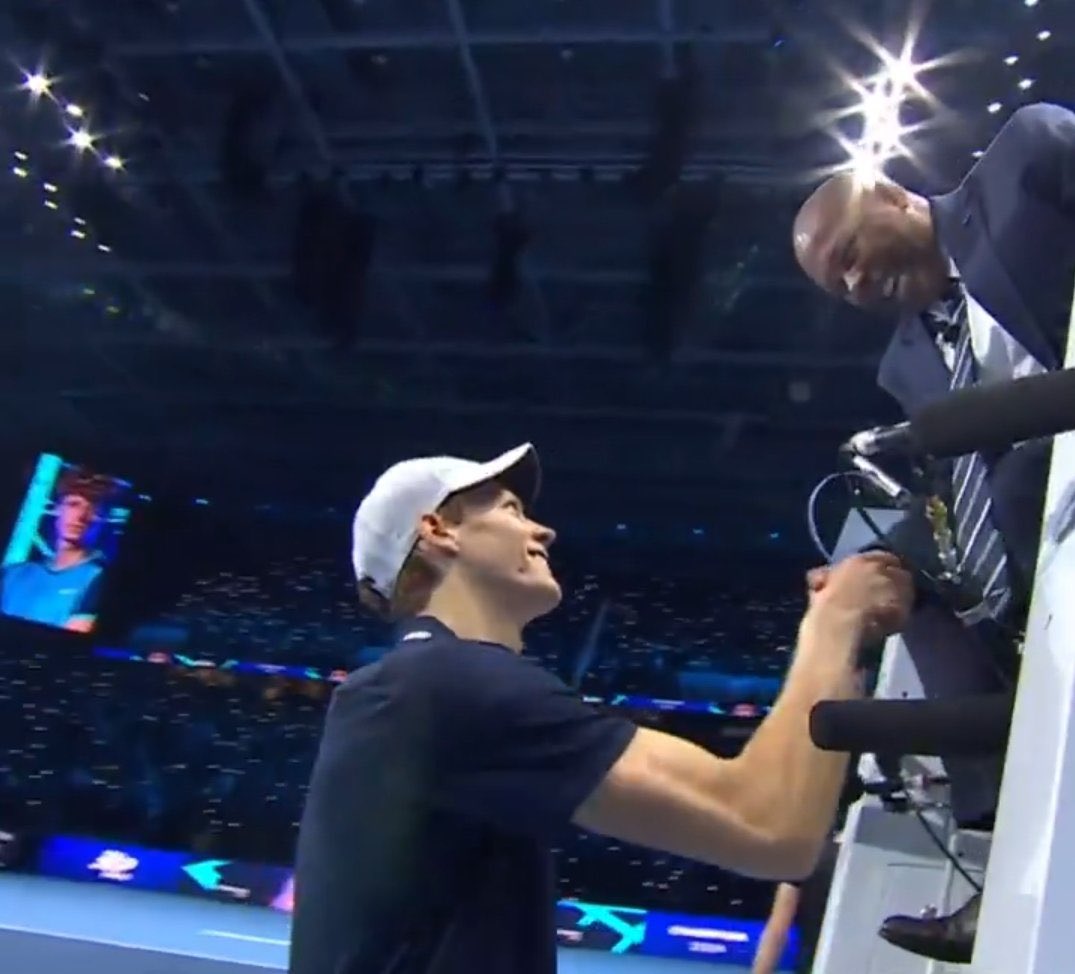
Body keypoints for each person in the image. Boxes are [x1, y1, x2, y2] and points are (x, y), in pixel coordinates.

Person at [288, 443, 912, 974]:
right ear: (438, 531)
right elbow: (771, 828)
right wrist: (836, 620)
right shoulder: (445, 684)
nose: (544, 531)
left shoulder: (423, 684)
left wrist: (845, 648)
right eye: (511, 510)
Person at [791, 101, 1075, 962]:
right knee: (895, 572)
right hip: (1037, 534)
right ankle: (1003, 823)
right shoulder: (903, 364)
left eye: (847, 254)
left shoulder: (1022, 164)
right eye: (834, 284)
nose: (850, 283)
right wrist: (878, 568)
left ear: (890, 196)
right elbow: (959, 482)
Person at [0, 468, 111, 633]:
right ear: (58, 508)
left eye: (93, 510)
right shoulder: (13, 574)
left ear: (102, 520)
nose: (81, 516)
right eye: (73, 504)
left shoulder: (98, 579)